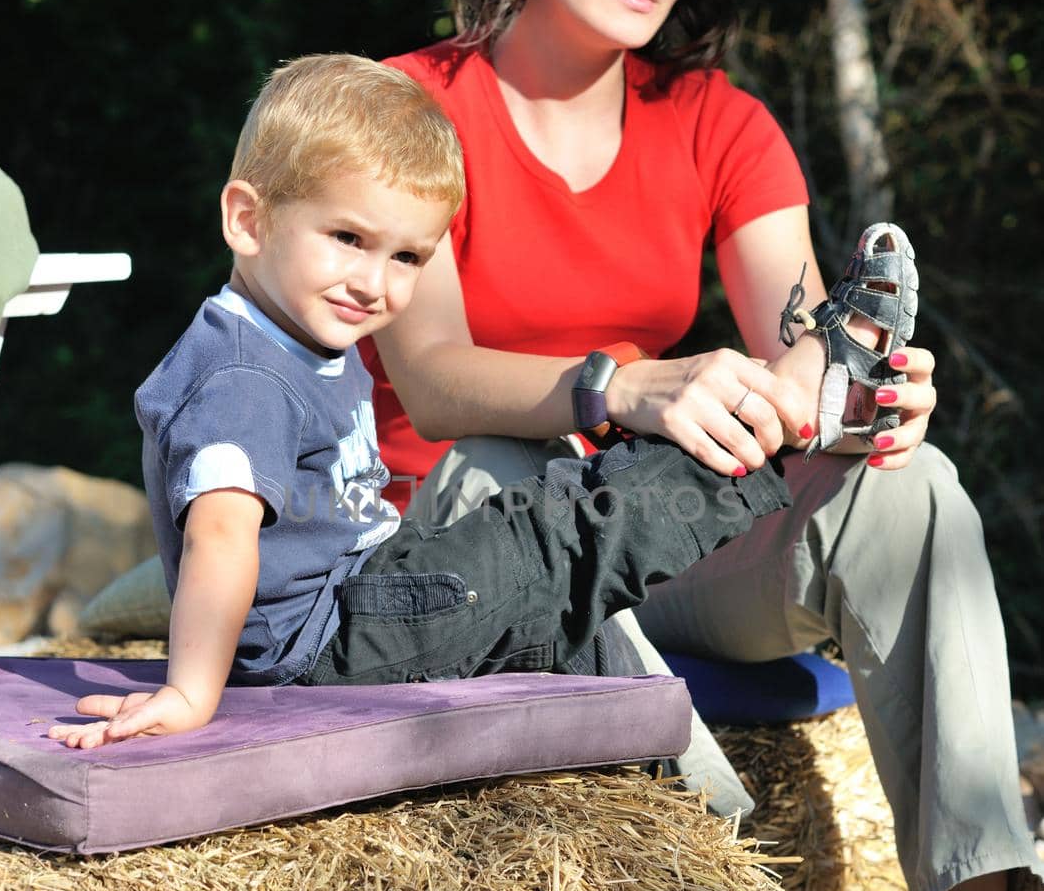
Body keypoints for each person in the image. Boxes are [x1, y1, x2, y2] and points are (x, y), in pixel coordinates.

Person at [365, 0, 1044, 891]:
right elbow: (431, 374)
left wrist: (857, 397)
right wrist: (622, 384)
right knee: (508, 456)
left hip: (657, 553)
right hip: (465, 545)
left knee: (914, 494)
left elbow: (798, 352)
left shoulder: (717, 127)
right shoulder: (408, 107)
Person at [50, 51, 816, 744]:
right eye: (347, 238)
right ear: (247, 220)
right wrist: (189, 693)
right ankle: (743, 442)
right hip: (325, 644)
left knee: (540, 567)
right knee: (546, 541)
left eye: (408, 255)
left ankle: (652, 778)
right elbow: (219, 536)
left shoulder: (297, 335)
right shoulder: (242, 379)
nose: (375, 283)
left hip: (363, 591)